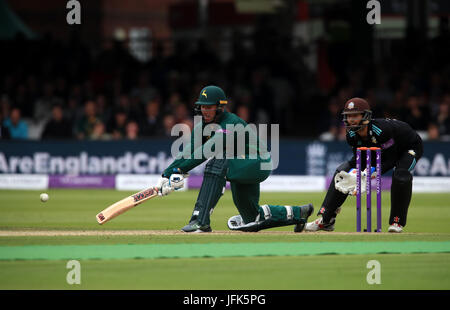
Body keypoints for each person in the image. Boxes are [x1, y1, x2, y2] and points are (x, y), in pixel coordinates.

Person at [155, 85, 314, 233]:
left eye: (209, 107)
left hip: (257, 163)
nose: (205, 111)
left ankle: (200, 221)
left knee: (218, 160)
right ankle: (299, 213)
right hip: (240, 164)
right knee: (252, 217)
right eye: (202, 106)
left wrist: (180, 170)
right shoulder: (202, 126)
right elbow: (188, 152)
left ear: (220, 107)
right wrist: (166, 174)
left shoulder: (230, 123)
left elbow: (205, 151)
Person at [305, 98, 423, 233]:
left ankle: (397, 222)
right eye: (349, 116)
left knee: (400, 175)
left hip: (408, 148)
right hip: (380, 150)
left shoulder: (382, 130)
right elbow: (358, 160)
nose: (351, 119)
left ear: (365, 116)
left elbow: (391, 160)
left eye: (355, 115)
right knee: (342, 171)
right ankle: (326, 220)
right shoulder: (351, 135)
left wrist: (369, 174)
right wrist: (356, 175)